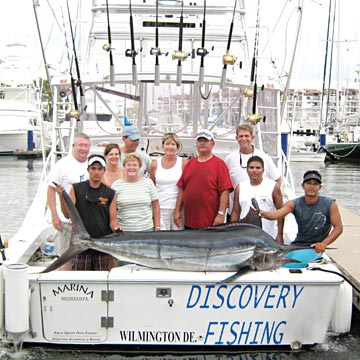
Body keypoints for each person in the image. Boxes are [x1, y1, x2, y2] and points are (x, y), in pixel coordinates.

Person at [56, 154, 121, 270]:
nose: (96, 172)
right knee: (82, 281)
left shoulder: (111, 193)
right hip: (81, 243)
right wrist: (62, 197)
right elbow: (67, 214)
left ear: (104, 171)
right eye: (93, 168)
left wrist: (117, 229)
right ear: (88, 170)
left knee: (102, 281)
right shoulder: (76, 189)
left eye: (99, 169)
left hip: (102, 245)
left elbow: (113, 220)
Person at [259, 170, 343, 253]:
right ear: (303, 186)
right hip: (299, 245)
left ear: (320, 187)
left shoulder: (330, 204)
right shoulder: (294, 203)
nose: (312, 187)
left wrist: (324, 244)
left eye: (315, 184)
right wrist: (263, 213)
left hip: (317, 247)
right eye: (308, 183)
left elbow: (338, 228)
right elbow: (278, 214)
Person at [174, 129, 233, 229]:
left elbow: (225, 191)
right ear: (196, 143)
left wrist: (221, 214)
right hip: (189, 221)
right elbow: (182, 189)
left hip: (211, 223)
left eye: (205, 141)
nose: (202, 143)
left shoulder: (220, 164)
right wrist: (177, 211)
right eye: (200, 141)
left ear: (212, 143)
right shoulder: (190, 164)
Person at [225, 124, 281, 215]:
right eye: (241, 136)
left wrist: (272, 198)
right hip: (235, 211)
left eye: (247, 136)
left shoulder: (263, 157)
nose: (244, 139)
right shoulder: (230, 159)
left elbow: (277, 178)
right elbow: (225, 184)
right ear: (236, 138)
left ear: (252, 137)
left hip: (258, 213)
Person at [230, 155, 284, 243]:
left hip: (268, 236)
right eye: (251, 168)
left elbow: (281, 211)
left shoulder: (273, 186)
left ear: (263, 170)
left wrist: (280, 235)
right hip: (245, 236)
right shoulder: (240, 187)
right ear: (247, 170)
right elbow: (236, 211)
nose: (254, 170)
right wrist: (233, 233)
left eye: (258, 168)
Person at [47, 133, 90, 232]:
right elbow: (51, 190)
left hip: (85, 221)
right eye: (80, 145)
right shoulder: (62, 164)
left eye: (86, 145)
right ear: (73, 146)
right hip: (66, 220)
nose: (83, 148)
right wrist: (54, 216)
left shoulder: (92, 164)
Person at [112, 153, 161, 231]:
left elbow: (156, 207)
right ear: (124, 166)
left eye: (135, 165)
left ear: (139, 167)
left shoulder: (148, 183)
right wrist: (115, 226)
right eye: (129, 165)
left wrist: (157, 227)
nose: (132, 168)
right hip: (125, 230)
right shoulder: (116, 185)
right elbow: (113, 209)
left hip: (147, 229)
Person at [149, 133, 188, 230]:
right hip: (160, 209)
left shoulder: (183, 163)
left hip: (177, 208)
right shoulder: (154, 164)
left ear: (177, 147)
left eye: (173, 144)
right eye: (167, 144)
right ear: (163, 146)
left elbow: (184, 187)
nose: (170, 147)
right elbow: (151, 187)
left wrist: (178, 210)